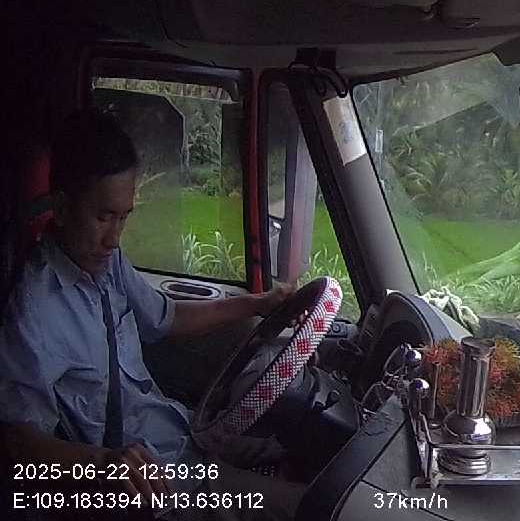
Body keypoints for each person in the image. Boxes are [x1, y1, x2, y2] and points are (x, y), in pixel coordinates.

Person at [0, 109, 303, 519]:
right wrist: (104, 465)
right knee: (306, 505)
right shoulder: (33, 311)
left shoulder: (107, 263)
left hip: (181, 432)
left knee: (302, 446)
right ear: (63, 208)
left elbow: (167, 318)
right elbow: (19, 442)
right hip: (151, 489)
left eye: (123, 217)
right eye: (103, 217)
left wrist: (258, 303)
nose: (114, 238)